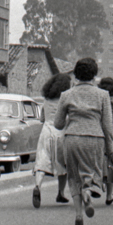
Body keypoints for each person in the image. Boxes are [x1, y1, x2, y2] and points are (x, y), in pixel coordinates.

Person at [54, 58, 113, 225]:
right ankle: (88, 193)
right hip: (95, 138)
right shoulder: (103, 95)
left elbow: (58, 124)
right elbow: (107, 125)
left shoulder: (67, 95)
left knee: (73, 177)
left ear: (76, 74)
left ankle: (79, 215)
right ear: (94, 74)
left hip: (72, 138)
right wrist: (111, 147)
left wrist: (72, 118)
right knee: (92, 172)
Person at [32, 73, 71, 208]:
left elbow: (42, 119)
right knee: (62, 164)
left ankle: (37, 186)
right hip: (61, 133)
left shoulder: (46, 100)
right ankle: (61, 193)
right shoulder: (65, 99)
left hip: (46, 132)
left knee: (42, 160)